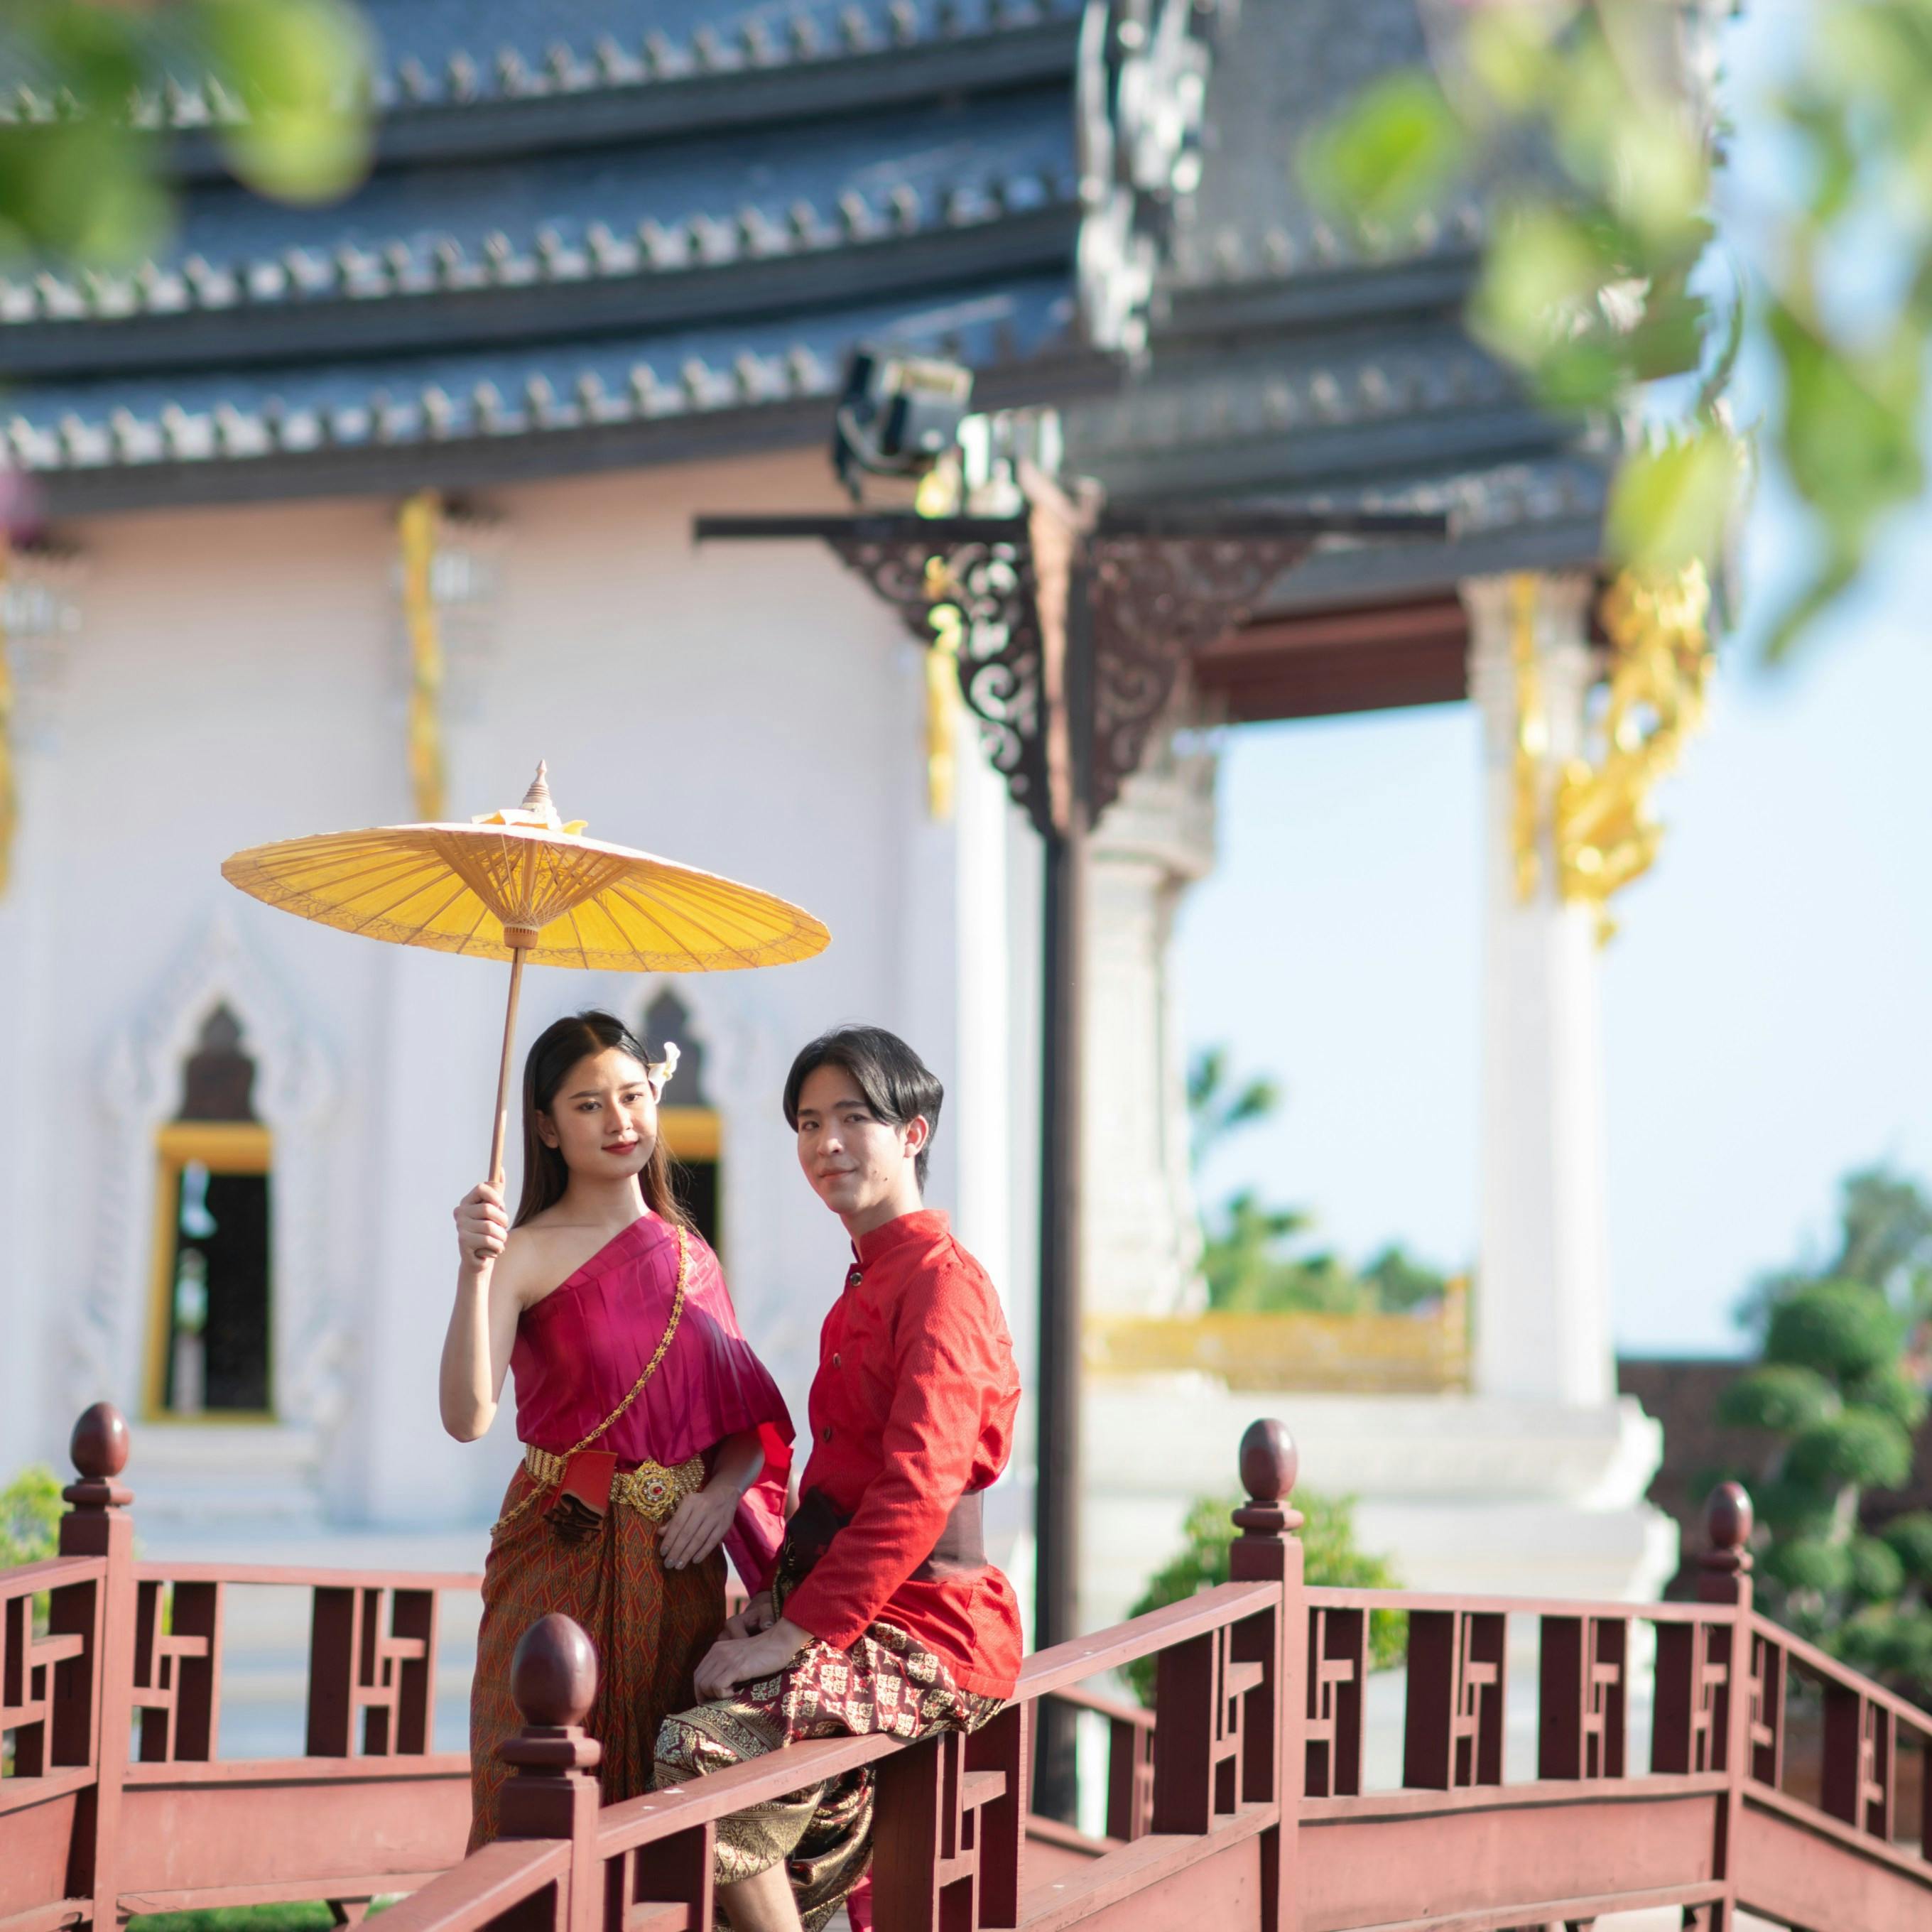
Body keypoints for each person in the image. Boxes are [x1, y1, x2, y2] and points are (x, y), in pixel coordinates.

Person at [653, 1025, 1021, 1932]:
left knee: (696, 1751)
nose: (826, 1142)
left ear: (914, 1132)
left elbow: (917, 1489)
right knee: (679, 1690)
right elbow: (834, 1488)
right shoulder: (863, 1285)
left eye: (853, 1117)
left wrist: (797, 1634)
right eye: (809, 1121)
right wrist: (775, 1602)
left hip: (933, 1630)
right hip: (859, 1615)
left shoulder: (942, 1287)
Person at [445, 1009, 792, 1849]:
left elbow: (743, 1417)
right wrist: (472, 1269)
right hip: (555, 1543)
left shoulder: (688, 1257)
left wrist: (722, 1490)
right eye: (588, 1103)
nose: (619, 1120)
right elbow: (466, 1415)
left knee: (663, 1795)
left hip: (675, 1562)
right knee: (527, 1782)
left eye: (633, 1096)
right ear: (545, 1126)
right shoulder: (519, 1251)